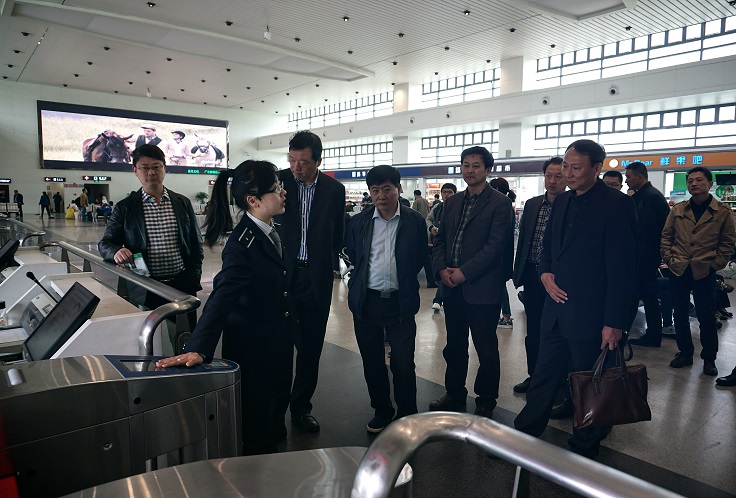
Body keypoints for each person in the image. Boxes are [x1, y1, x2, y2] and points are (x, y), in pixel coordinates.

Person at [156, 160, 295, 455]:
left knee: (277, 407)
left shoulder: (274, 229)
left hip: (278, 340)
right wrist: (199, 347)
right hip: (255, 349)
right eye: (276, 188)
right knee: (258, 421)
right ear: (253, 200)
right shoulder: (242, 245)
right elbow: (222, 297)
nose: (283, 192)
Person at [514, 139, 636, 459]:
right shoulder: (563, 201)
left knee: (588, 382)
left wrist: (614, 322)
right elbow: (548, 248)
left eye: (575, 168)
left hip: (591, 314)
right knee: (543, 375)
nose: (568, 173)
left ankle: (584, 448)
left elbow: (622, 270)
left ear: (597, 168)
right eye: (565, 166)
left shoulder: (616, 205)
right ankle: (523, 436)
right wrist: (544, 273)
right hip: (555, 309)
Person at [429, 146, 514, 419]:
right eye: (466, 165)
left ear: (488, 170)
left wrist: (464, 272)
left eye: (476, 165)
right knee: (454, 346)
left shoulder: (500, 203)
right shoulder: (452, 202)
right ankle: (454, 392)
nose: (470, 170)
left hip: (482, 289)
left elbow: (495, 246)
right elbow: (440, 240)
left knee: (486, 348)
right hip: (452, 288)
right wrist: (441, 269)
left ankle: (486, 399)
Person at [273, 130, 346, 436]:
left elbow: (338, 234)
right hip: (281, 276)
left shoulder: (334, 190)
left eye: (303, 161)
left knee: (311, 346)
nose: (296, 167)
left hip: (316, 277)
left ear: (318, 161)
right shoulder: (277, 182)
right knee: (278, 344)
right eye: (291, 159)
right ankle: (274, 410)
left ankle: (301, 408)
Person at [345, 165, 426, 433]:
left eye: (387, 189)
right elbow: (355, 256)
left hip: (400, 303)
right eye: (375, 190)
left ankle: (407, 413)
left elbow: (418, 258)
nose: (381, 195)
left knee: (403, 363)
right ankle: (382, 410)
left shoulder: (414, 221)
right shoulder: (359, 222)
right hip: (367, 302)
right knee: (372, 361)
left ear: (398, 189)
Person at [98, 144, 203, 343]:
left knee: (188, 338)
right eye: (145, 168)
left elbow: (196, 243)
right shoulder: (126, 208)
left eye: (156, 166)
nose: (151, 172)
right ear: (135, 170)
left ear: (164, 168)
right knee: (152, 342)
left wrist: (193, 275)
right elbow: (105, 243)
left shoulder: (182, 203)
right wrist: (115, 251)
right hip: (147, 287)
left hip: (181, 286)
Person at [661, 166, 736, 376]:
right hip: (679, 268)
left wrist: (716, 264)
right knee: (680, 314)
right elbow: (666, 236)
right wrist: (669, 258)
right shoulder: (678, 209)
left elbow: (728, 242)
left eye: (699, 180)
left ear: (710, 184)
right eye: (690, 181)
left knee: (706, 316)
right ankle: (685, 352)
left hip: (705, 270)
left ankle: (709, 358)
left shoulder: (722, 212)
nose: (694, 183)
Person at [511, 156, 566, 394]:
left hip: (558, 282)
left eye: (558, 176)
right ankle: (534, 376)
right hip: (533, 277)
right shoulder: (533, 205)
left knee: (556, 333)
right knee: (533, 330)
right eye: (548, 176)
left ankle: (557, 383)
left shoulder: (570, 204)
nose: (552, 181)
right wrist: (518, 273)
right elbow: (524, 240)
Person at [624, 161, 671, 347]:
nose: (626, 181)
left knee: (640, 296)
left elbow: (648, 231)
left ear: (640, 176)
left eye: (628, 177)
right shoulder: (644, 196)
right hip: (644, 257)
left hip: (644, 258)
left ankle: (630, 335)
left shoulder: (651, 197)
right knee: (647, 296)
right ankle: (652, 335)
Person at [489, 177, 516, 329]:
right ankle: (505, 315)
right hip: (504, 254)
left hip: (500, 255)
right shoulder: (508, 206)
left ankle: (506, 316)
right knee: (499, 285)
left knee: (499, 285)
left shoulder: (503, 206)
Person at [427, 183, 457, 312]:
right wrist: (431, 228)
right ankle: (438, 300)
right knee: (441, 269)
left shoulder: (459, 207)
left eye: (450, 192)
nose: (447, 195)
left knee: (446, 271)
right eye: (445, 192)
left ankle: (438, 300)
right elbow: (428, 219)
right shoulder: (437, 207)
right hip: (438, 244)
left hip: (452, 247)